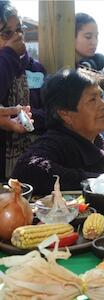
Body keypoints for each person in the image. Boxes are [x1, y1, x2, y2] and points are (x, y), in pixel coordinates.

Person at [12, 68, 104, 196]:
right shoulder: (56, 142)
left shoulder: (100, 142)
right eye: (92, 100)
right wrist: (95, 181)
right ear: (65, 114)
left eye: (101, 97)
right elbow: (27, 168)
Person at [0, 0, 46, 181]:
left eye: (19, 29)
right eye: (6, 33)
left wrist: (27, 117)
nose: (17, 36)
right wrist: (9, 56)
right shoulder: (9, 59)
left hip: (29, 163)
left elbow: (50, 112)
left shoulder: (36, 69)